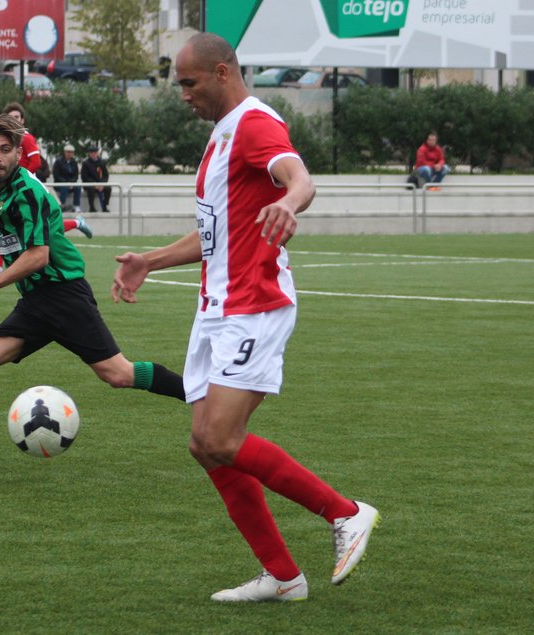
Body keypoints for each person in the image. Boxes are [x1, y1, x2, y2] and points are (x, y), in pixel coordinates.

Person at [110, 33, 379, 603]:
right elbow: (217, 233)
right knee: (204, 444)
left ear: (222, 72)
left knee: (220, 436)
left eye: (189, 83)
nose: (183, 94)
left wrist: (289, 201)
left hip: (254, 304)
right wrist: (150, 261)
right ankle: (283, 577)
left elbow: (299, 177)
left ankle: (345, 513)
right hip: (216, 308)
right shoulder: (220, 136)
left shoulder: (255, 123)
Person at [0, 113, 184, 463]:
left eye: (5, 150)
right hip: (36, 300)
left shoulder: (27, 191)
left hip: (63, 295)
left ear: (18, 153)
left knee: (118, 374)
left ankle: (199, 393)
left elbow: (39, 256)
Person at [0, 103, 91, 277]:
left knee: (43, 228)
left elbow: (36, 162)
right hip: (11, 185)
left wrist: (20, 180)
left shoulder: (27, 145)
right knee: (3, 228)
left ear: (23, 120)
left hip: (61, 285)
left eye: (17, 117)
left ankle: (77, 223)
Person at [52, 143, 81, 213]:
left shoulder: (74, 162)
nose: (69, 154)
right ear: (64, 152)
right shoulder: (58, 161)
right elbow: (56, 175)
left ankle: (76, 206)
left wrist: (72, 182)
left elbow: (76, 175)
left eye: (71, 152)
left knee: (78, 187)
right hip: (60, 183)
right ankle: (62, 205)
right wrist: (66, 183)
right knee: (64, 187)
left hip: (71, 184)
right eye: (68, 152)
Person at [81, 147, 110, 212]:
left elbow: (106, 175)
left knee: (108, 188)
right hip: (90, 183)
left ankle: (105, 206)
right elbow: (84, 177)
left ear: (97, 153)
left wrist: (102, 184)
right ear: (89, 154)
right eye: (91, 153)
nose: (93, 154)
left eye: (95, 152)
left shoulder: (102, 162)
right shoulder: (86, 163)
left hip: (100, 183)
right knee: (91, 190)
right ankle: (92, 207)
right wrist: (94, 184)